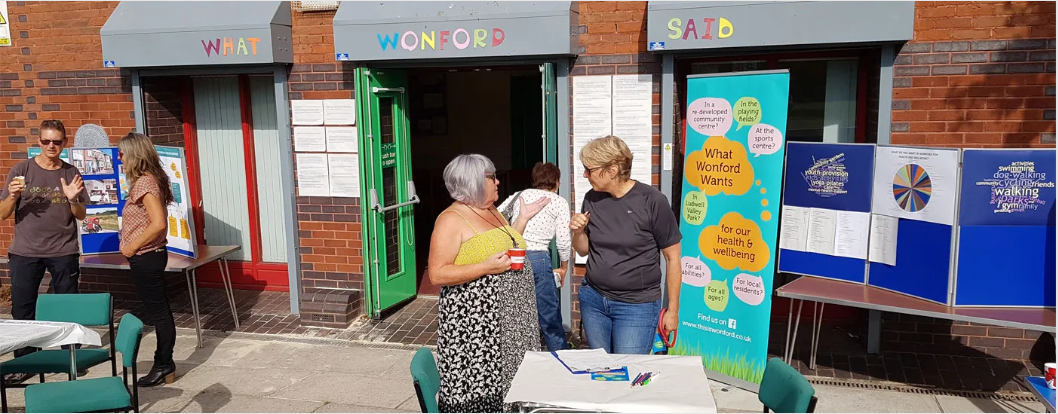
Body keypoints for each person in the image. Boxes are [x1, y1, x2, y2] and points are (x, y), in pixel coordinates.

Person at [428, 154, 550, 412]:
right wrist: (486, 268)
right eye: (491, 177)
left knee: (514, 384)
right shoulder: (451, 219)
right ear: (472, 182)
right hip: (478, 325)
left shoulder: (491, 210)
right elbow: (437, 274)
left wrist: (523, 219)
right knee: (483, 388)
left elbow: (502, 244)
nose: (497, 181)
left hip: (512, 318)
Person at [571, 135, 683, 355]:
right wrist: (578, 232)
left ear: (612, 170)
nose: (585, 174)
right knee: (602, 370)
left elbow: (673, 258)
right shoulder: (592, 198)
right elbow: (583, 249)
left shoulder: (652, 201)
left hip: (636, 306)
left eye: (589, 169)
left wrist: (673, 310)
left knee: (627, 373)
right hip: (593, 300)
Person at [0, 120, 87, 384]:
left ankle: (70, 358)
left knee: (67, 307)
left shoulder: (72, 171)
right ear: (38, 142)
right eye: (46, 141)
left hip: (63, 250)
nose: (51, 146)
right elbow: (2, 214)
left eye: (57, 142)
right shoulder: (22, 169)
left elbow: (81, 215)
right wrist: (13, 196)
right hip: (26, 251)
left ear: (64, 143)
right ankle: (26, 361)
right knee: (23, 309)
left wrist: (73, 198)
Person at [117, 132, 178, 387]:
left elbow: (158, 223)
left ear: (133, 154)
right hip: (149, 256)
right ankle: (165, 364)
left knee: (160, 313)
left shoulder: (145, 183)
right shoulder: (150, 180)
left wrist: (131, 246)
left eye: (121, 153)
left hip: (147, 256)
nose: (119, 157)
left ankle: (164, 364)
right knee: (159, 310)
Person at [497, 162, 571, 352]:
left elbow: (496, 216)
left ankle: (518, 357)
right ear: (557, 181)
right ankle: (560, 358)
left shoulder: (518, 196)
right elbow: (563, 240)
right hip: (538, 258)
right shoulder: (558, 201)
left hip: (514, 257)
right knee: (549, 315)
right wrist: (564, 266)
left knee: (515, 312)